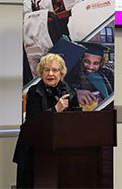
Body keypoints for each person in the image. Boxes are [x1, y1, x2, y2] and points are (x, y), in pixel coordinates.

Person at [13, 53, 80, 188]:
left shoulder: (69, 91)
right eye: (46, 70)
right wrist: (55, 109)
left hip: (60, 150)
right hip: (33, 152)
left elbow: (76, 120)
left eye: (55, 70)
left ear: (61, 73)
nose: (51, 74)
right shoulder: (34, 91)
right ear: (41, 72)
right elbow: (34, 122)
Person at [65, 42, 114, 111]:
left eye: (96, 63)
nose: (90, 67)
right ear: (81, 59)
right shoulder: (70, 74)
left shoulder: (107, 75)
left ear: (101, 63)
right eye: (87, 61)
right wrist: (74, 94)